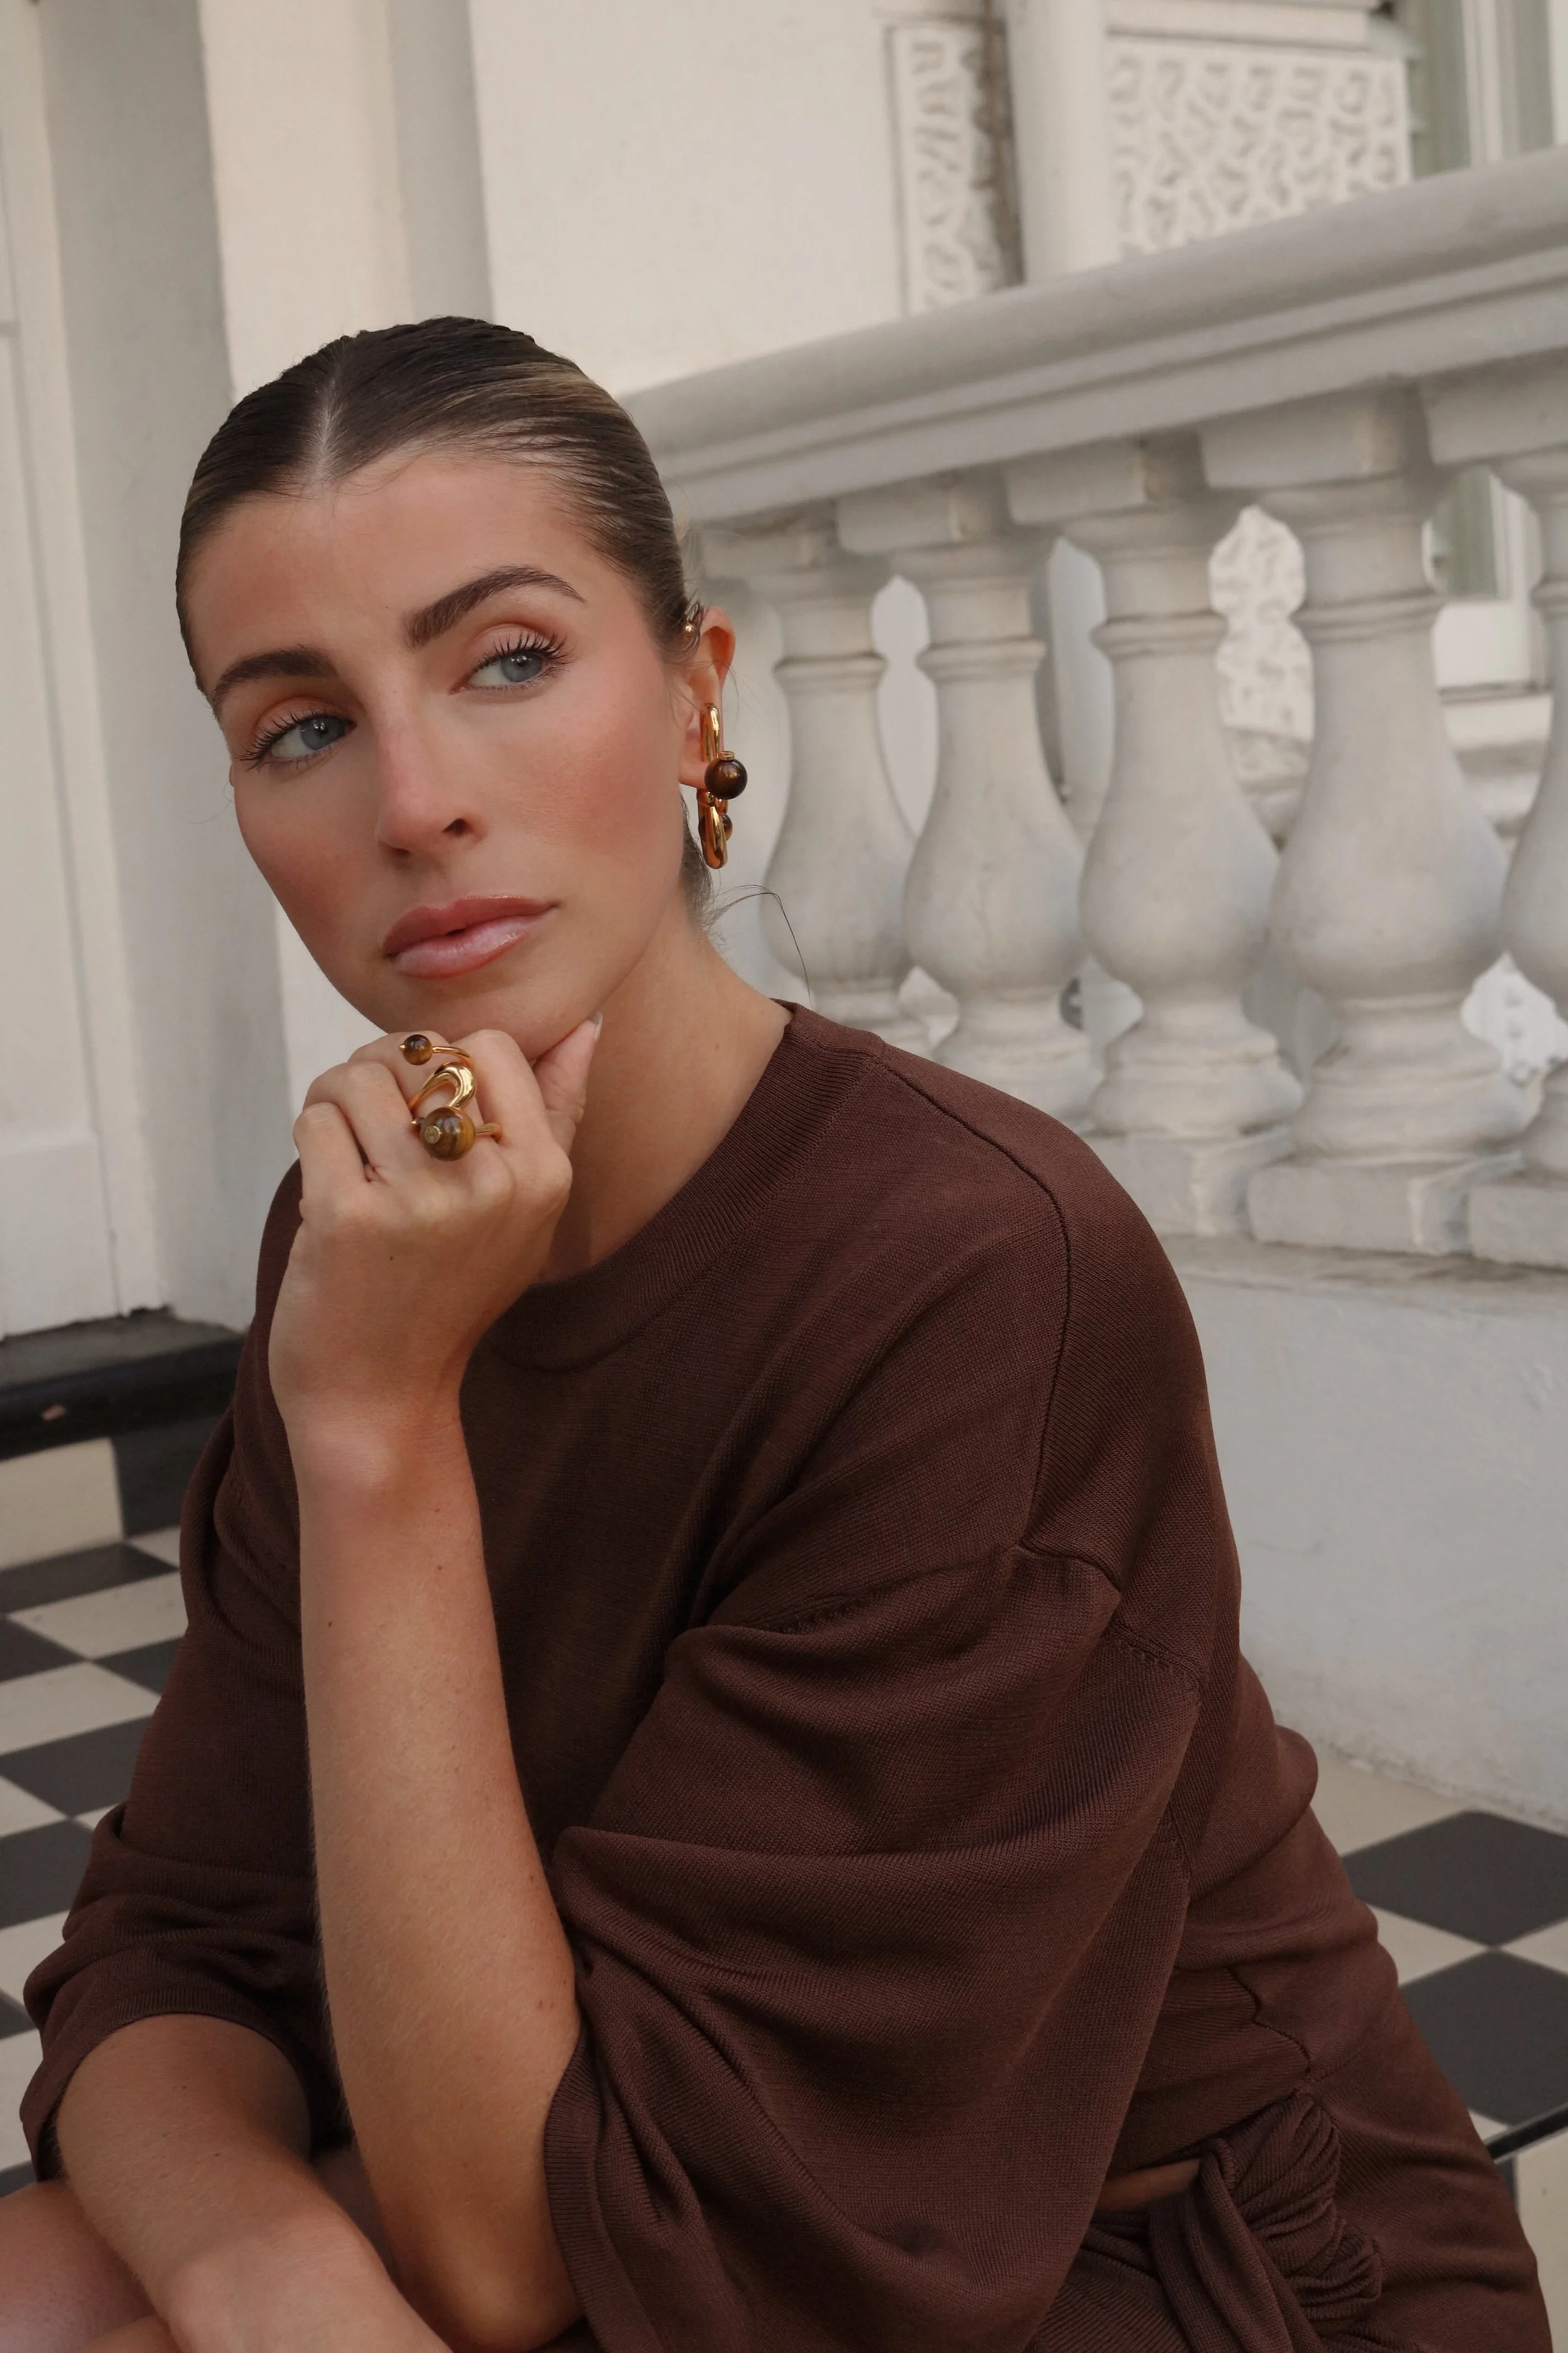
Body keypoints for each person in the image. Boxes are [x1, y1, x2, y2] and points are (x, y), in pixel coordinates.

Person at [0, 319, 1545, 2353]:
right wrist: (253, 2265)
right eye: (299, 724)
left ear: (694, 695)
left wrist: (377, 1431)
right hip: (638, 2135)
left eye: (507, 661)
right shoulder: (370, 1229)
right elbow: (177, 1937)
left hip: (1148, 2260)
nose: (414, 798)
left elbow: (524, 2253)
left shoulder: (969, 1269)